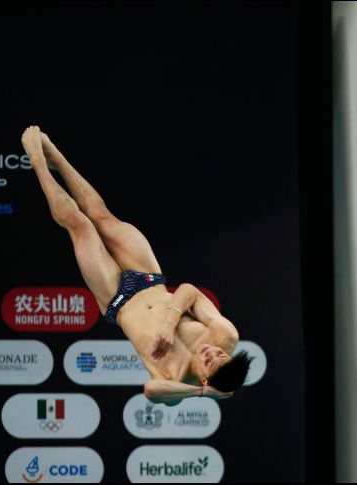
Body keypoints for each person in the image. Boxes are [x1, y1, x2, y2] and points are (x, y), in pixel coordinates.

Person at [21, 125, 252, 405]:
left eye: (211, 361)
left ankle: (36, 162)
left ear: (205, 380)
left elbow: (151, 391)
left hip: (117, 299)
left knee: (80, 225)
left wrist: (204, 393)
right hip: (148, 279)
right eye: (221, 354)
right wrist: (169, 324)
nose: (212, 352)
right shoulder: (225, 335)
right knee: (100, 215)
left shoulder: (176, 381)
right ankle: (55, 156)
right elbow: (190, 291)